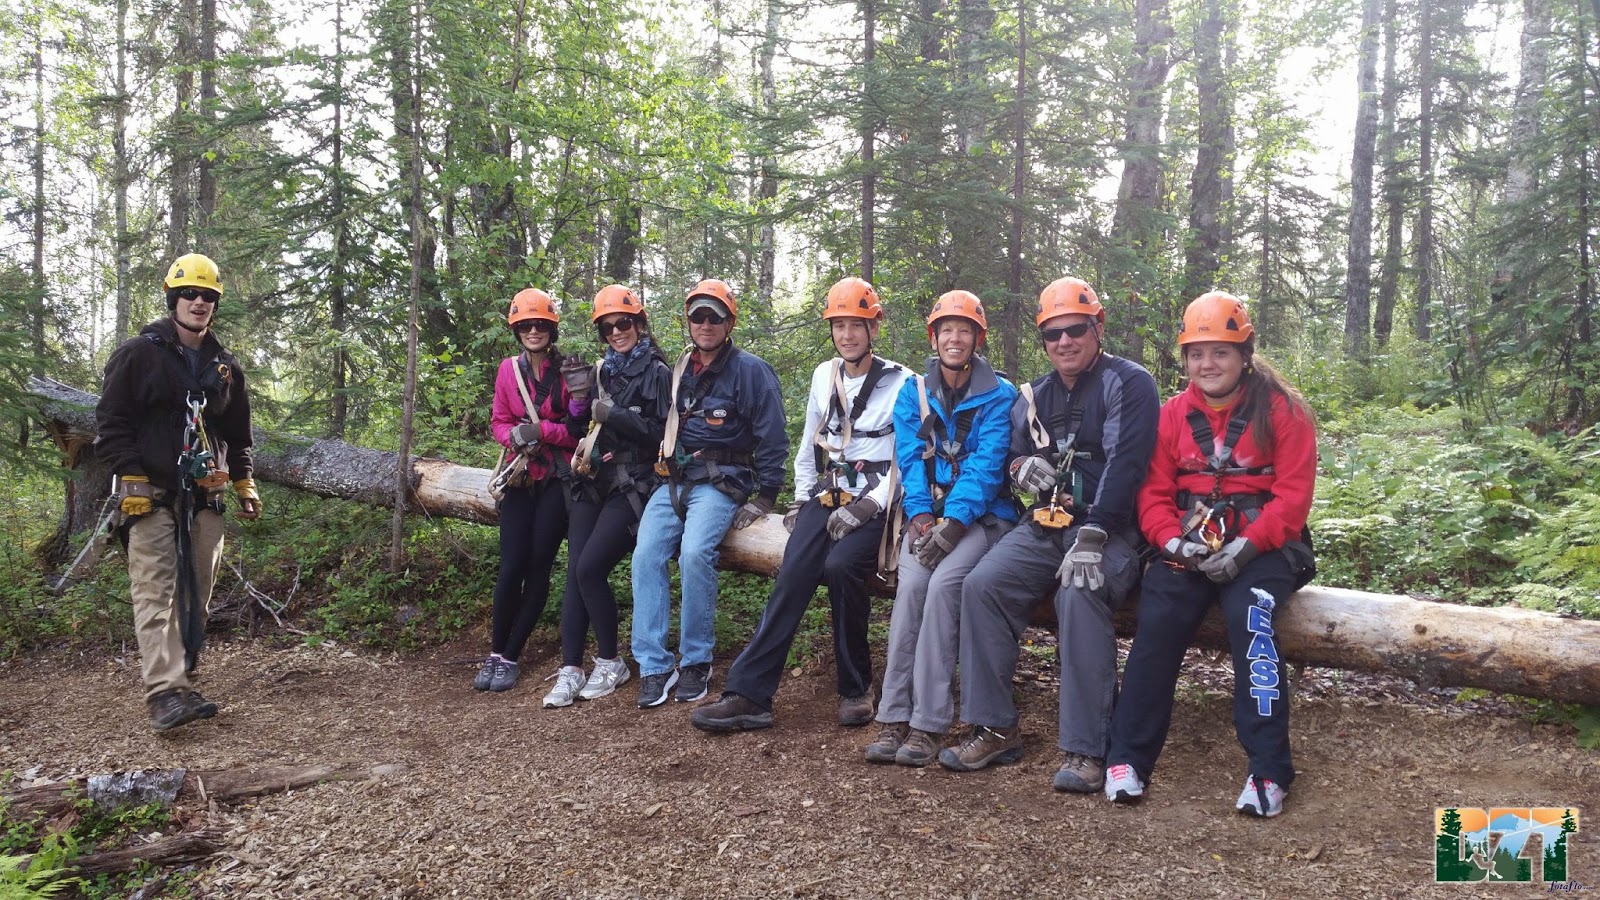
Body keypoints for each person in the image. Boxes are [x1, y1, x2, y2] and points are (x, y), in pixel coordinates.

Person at [937, 277, 1159, 792]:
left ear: (1097, 327)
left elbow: (1127, 464)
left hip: (1115, 530)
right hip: (1045, 523)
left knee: (1078, 592)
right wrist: (1022, 470)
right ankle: (995, 728)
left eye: (1075, 329)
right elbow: (1013, 456)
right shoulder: (1034, 395)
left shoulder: (1128, 382)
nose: (1064, 342)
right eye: (1052, 334)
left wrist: (1096, 531)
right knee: (982, 585)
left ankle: (1087, 748)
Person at [1103, 291, 1317, 818]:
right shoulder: (1171, 415)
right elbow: (1152, 495)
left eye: (1220, 352)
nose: (1207, 364)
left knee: (1254, 621)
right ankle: (1127, 758)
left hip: (1266, 548)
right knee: (1158, 620)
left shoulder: (1282, 411)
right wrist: (1174, 543)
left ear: (1244, 355)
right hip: (1191, 545)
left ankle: (1269, 768)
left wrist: (1246, 547)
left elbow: (1292, 498)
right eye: (1197, 353)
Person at [691, 277, 908, 732]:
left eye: (857, 324)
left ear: (874, 327)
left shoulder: (904, 383)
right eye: (839, 325)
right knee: (793, 573)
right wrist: (801, 499)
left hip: (876, 499)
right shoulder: (823, 375)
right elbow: (812, 442)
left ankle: (855, 687)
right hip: (829, 494)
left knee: (843, 566)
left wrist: (872, 506)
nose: (847, 334)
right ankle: (750, 694)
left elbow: (908, 459)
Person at [95, 252, 259, 732]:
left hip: (206, 495)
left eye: (208, 296)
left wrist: (244, 481)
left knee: (197, 595)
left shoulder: (225, 367)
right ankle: (165, 692)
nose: (198, 302)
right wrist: (130, 476)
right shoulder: (138, 354)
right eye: (189, 293)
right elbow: (111, 422)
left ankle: (181, 680)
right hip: (151, 495)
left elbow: (239, 433)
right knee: (155, 592)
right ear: (173, 298)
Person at [864, 290, 1018, 767]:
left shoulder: (1001, 394)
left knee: (946, 585)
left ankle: (928, 723)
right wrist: (922, 516)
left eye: (965, 330)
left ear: (977, 338)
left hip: (982, 517)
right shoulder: (915, 392)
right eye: (947, 330)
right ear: (934, 337)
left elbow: (989, 466)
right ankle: (893, 715)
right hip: (928, 515)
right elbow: (910, 459)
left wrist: (954, 523)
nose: (956, 338)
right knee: (911, 586)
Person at [630, 279, 788, 708]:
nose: (705, 324)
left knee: (696, 553)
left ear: (729, 321)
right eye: (698, 316)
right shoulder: (680, 368)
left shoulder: (750, 371)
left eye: (714, 316)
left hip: (721, 481)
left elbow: (773, 437)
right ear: (688, 321)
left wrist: (765, 496)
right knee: (645, 555)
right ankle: (654, 665)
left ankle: (696, 660)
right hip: (676, 480)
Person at [541, 285, 671, 708]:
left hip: (633, 484)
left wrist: (614, 414)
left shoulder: (658, 372)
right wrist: (579, 403)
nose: (617, 332)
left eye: (624, 323)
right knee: (575, 571)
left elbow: (661, 434)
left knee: (591, 568)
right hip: (594, 477)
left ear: (639, 323)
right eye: (608, 327)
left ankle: (612, 661)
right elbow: (582, 433)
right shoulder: (602, 371)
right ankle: (570, 668)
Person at [474, 289, 590, 693]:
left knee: (539, 566)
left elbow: (578, 432)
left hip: (556, 478)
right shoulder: (508, 370)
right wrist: (514, 437)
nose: (534, 330)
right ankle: (494, 651)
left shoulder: (568, 370)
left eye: (541, 323)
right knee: (511, 567)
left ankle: (511, 655)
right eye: (526, 324)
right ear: (517, 330)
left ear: (551, 327)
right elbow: (498, 421)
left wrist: (542, 429)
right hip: (521, 475)